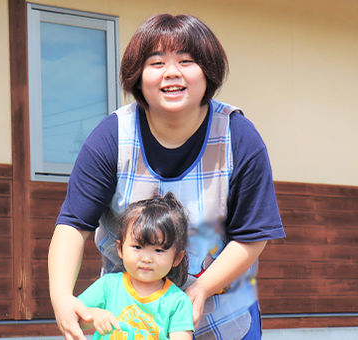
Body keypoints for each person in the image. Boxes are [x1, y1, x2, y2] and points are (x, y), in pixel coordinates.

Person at [48, 13, 286, 340]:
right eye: (156, 62)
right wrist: (61, 296)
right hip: (130, 323)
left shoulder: (238, 136)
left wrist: (201, 288)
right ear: (137, 76)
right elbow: (74, 223)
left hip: (223, 315)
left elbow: (252, 234)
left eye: (186, 61)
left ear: (208, 73)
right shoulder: (111, 136)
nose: (172, 72)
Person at [77, 192, 193, 340]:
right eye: (137, 247)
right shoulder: (108, 286)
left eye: (158, 250)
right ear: (120, 249)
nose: (146, 258)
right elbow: (73, 316)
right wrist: (94, 315)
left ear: (177, 258)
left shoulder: (178, 302)